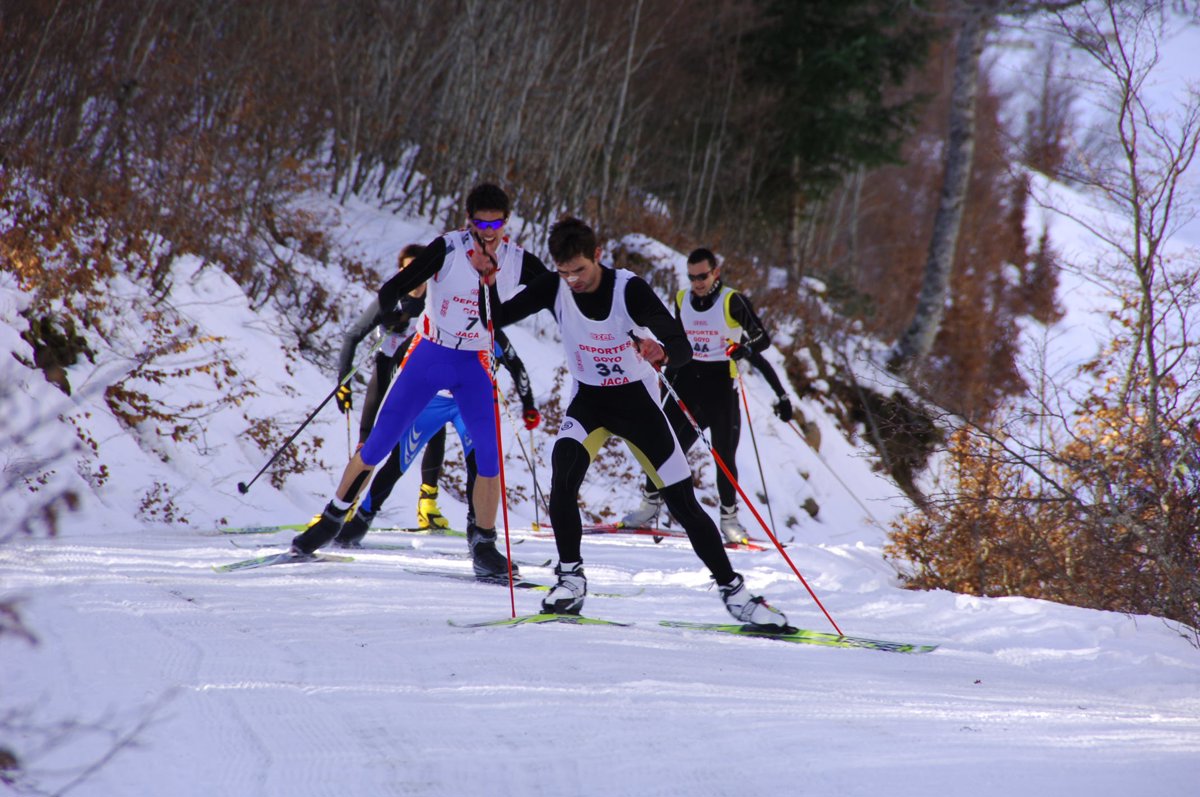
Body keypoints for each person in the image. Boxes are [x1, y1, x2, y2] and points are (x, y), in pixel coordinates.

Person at [489, 217, 787, 628]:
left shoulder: (628, 289)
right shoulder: (555, 287)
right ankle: (571, 578)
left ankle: (735, 593)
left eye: (580, 270)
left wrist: (662, 352)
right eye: (564, 272)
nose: (573, 280)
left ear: (598, 255)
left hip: (637, 405)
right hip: (589, 401)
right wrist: (489, 282)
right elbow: (496, 316)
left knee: (683, 502)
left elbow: (682, 346)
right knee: (562, 474)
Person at [291, 183, 547, 578]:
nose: (488, 232)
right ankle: (331, 519)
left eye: (496, 224)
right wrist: (393, 313)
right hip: (431, 356)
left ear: (507, 222)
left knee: (489, 457)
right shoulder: (447, 248)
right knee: (378, 444)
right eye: (480, 223)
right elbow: (394, 286)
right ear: (468, 220)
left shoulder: (515, 260)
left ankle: (484, 545)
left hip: (474, 364)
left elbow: (554, 292)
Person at [620, 247, 785, 544]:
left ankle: (729, 520)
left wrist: (744, 349)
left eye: (702, 276)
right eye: (692, 277)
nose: (697, 282)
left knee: (724, 455)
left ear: (715, 273)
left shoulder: (732, 300)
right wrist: (666, 373)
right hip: (686, 381)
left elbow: (762, 339)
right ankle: (649, 505)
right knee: (663, 445)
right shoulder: (682, 298)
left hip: (720, 386)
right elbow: (677, 341)